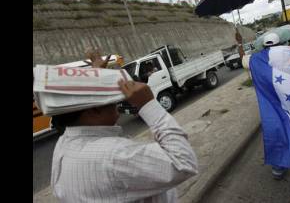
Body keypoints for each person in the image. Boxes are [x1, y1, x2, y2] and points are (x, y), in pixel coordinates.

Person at [49, 50, 198, 202]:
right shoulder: (114, 156)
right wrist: (148, 105)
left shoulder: (63, 145)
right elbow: (184, 163)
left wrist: (99, 78)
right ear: (93, 110)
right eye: (110, 96)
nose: (118, 98)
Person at [238, 31, 289, 180]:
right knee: (289, 128)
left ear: (264, 45)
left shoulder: (255, 59)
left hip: (268, 103)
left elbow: (243, 59)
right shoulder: (287, 54)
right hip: (286, 99)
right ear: (279, 43)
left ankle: (278, 168)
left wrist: (240, 43)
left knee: (274, 132)